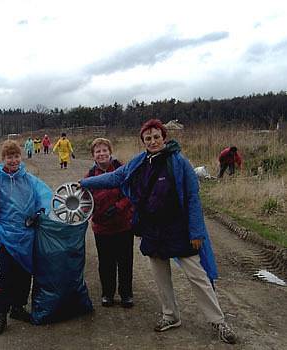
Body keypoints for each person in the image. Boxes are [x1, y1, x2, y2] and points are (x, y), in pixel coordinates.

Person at [80, 119, 237, 344]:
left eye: (156, 137)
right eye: (148, 138)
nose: (153, 141)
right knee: (161, 276)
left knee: (198, 276)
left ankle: (218, 321)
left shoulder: (179, 162)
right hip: (152, 230)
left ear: (164, 137)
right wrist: (85, 183)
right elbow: (115, 177)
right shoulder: (139, 163)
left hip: (178, 229)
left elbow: (192, 198)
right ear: (143, 141)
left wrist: (196, 232)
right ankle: (170, 315)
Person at [0, 140, 52, 336]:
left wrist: (39, 214)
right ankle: (0, 314)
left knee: (24, 274)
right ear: (3, 159)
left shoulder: (29, 179)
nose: (13, 160)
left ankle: (18, 308)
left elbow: (44, 197)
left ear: (21, 157)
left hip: (26, 236)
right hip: (4, 236)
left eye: (16, 156)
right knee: (4, 275)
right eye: (9, 157)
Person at [85, 138, 134, 308]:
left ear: (110, 152)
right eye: (98, 151)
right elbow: (84, 200)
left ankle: (126, 294)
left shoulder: (122, 170)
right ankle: (107, 294)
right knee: (106, 262)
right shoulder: (90, 176)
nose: (101, 153)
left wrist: (118, 207)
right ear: (93, 156)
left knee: (125, 261)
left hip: (123, 225)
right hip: (102, 227)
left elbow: (131, 193)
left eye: (104, 150)